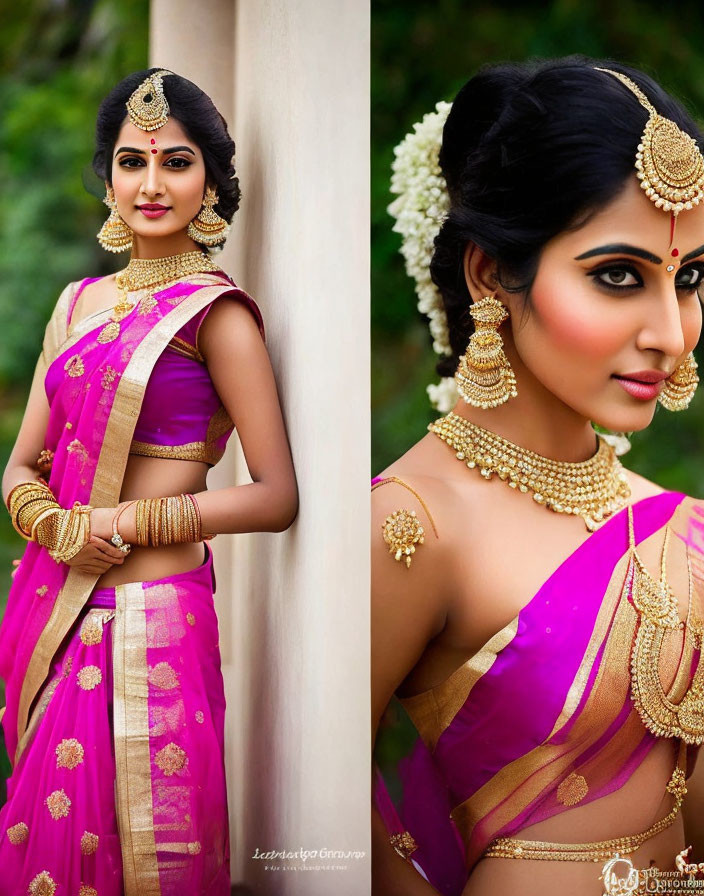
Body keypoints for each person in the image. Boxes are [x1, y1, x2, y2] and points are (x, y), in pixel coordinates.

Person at [371, 57, 704, 896]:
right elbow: (315, 815)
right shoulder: (414, 525)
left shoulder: (680, 528)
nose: (671, 332)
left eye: (690, 279)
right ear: (490, 274)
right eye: (619, 276)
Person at [0, 68, 298, 894]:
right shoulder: (76, 306)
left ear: (209, 181)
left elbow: (276, 495)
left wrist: (126, 524)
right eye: (132, 162)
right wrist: (59, 526)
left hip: (157, 627)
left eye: (176, 161)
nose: (152, 183)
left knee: (152, 858)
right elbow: (21, 465)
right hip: (63, 615)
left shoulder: (218, 316)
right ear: (107, 179)